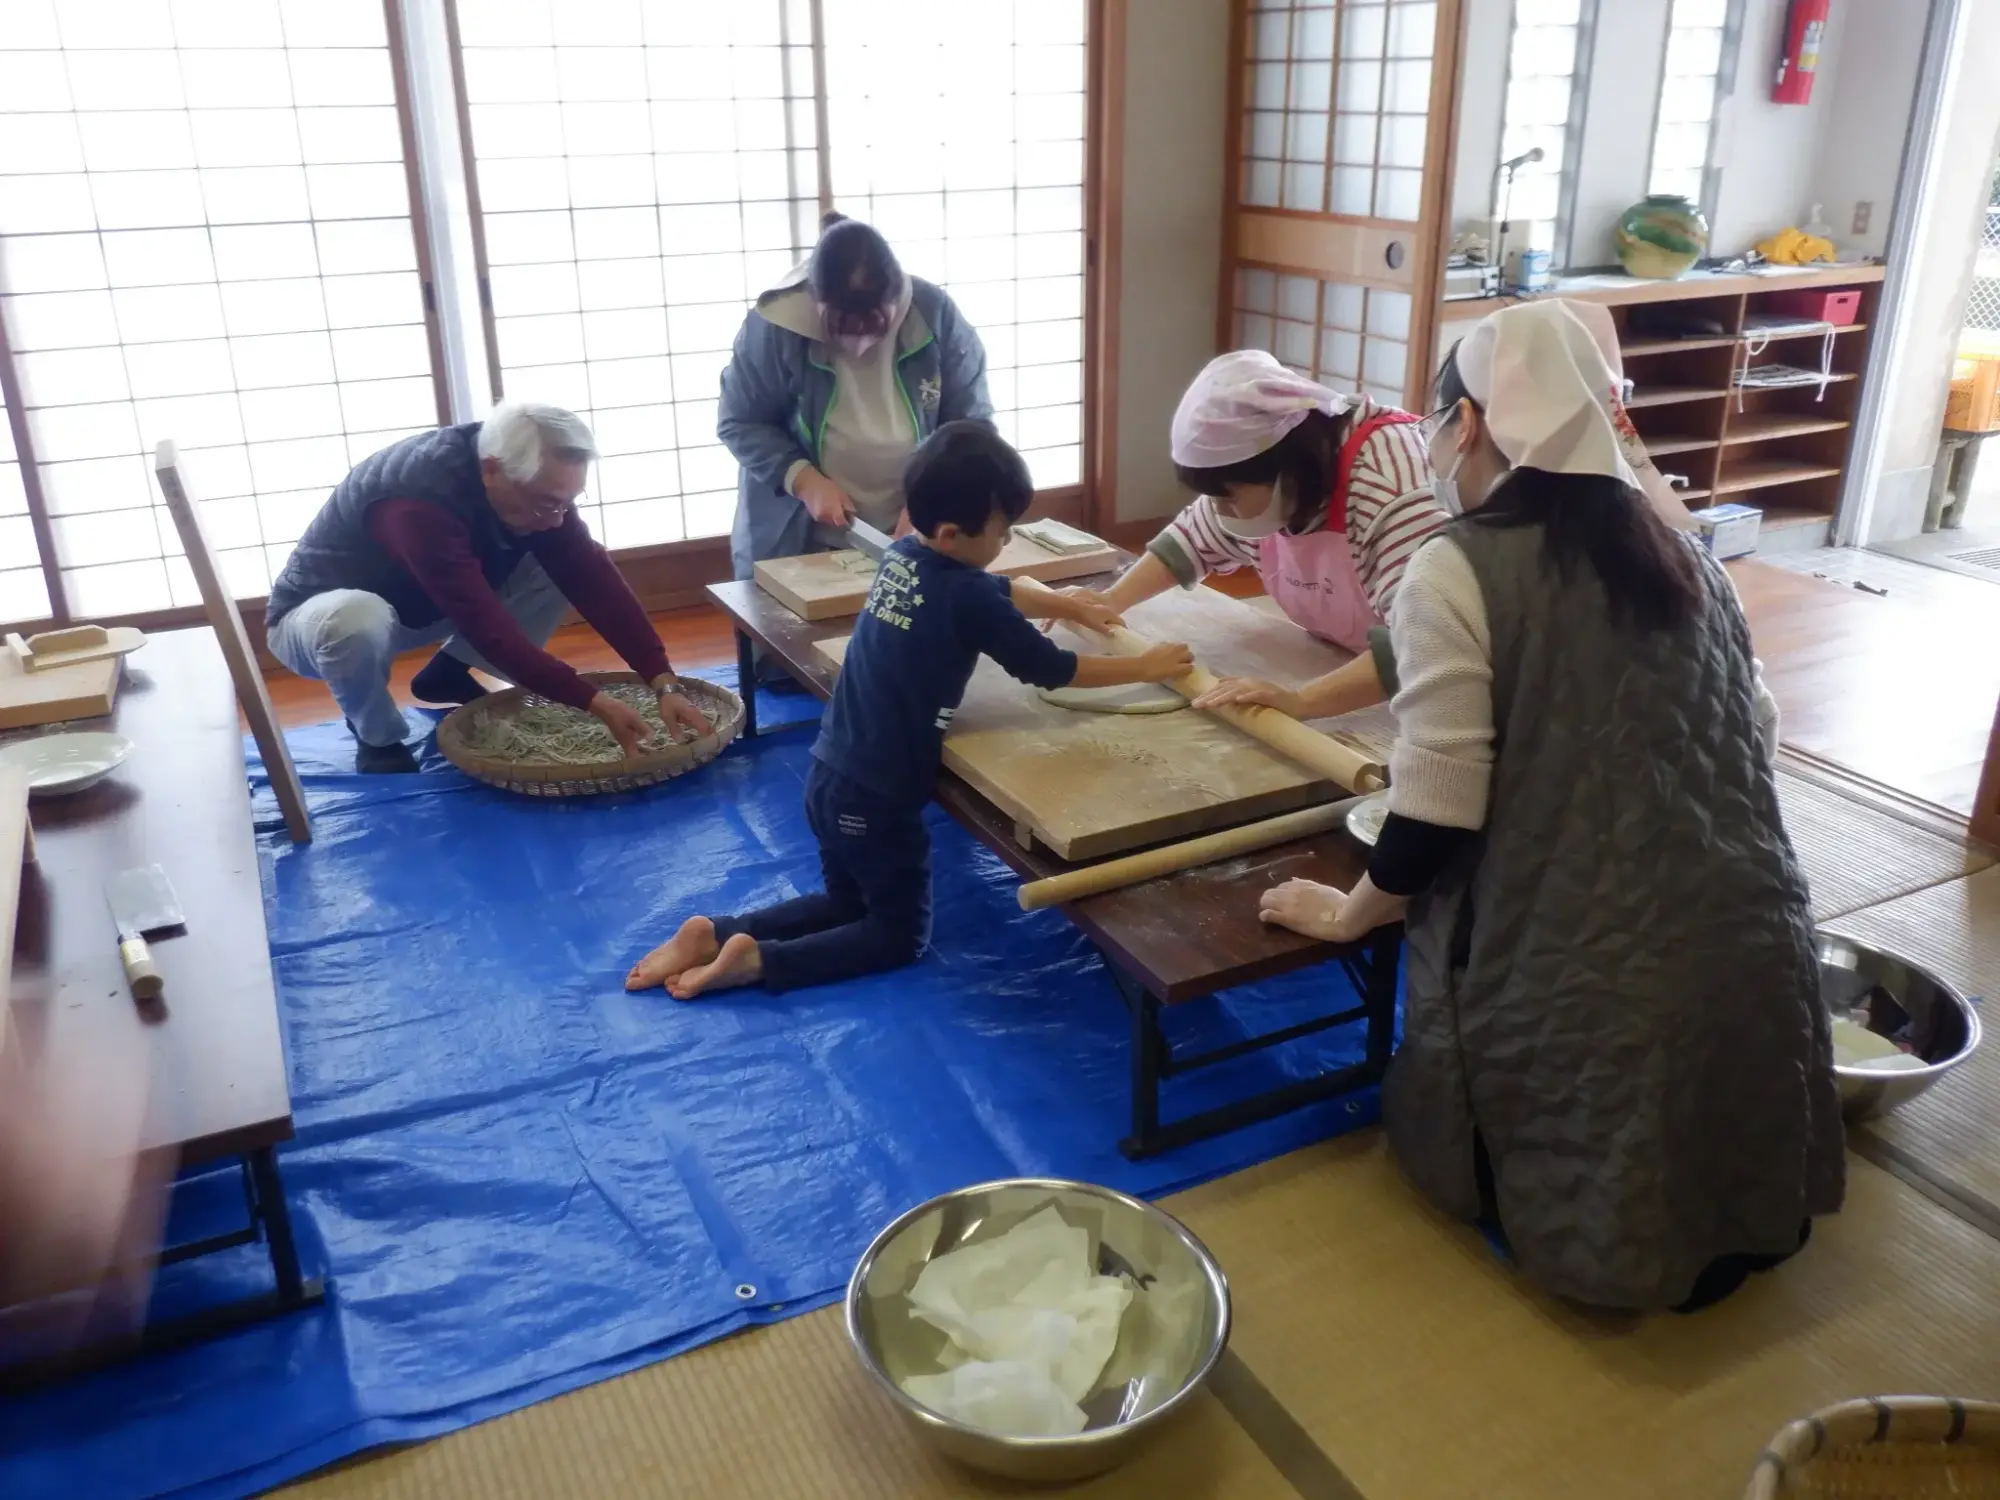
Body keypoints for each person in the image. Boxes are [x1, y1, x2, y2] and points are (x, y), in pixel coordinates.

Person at [1256, 299, 1843, 1314]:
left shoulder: (1455, 566)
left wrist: (1349, 911)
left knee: (1496, 1046)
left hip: (1578, 989)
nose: (1435, 440)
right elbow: (1754, 737)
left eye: (1442, 419)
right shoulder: (1686, 553)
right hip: (1760, 954)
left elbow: (1435, 804)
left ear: (1471, 424)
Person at [625, 421, 1192, 999]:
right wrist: (1146, 668)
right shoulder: (965, 594)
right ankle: (758, 962)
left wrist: (1066, 602)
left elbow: (1000, 590)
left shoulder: (904, 555)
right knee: (897, 936)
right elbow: (1049, 667)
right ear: (951, 533)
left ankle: (716, 935)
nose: (1005, 542)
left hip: (829, 774)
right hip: (877, 797)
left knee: (847, 903)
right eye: (1002, 531)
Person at [265, 402, 708, 774]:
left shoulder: (528, 480)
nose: (558, 517)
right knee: (356, 618)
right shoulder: (416, 500)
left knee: (562, 558)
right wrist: (592, 702)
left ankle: (449, 673)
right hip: (319, 624)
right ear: (493, 471)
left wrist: (662, 681)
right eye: (549, 503)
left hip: (426, 605)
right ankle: (377, 738)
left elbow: (590, 576)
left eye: (568, 503)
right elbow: (484, 623)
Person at [1063, 349, 1448, 718]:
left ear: (1288, 471)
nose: (1218, 512)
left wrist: (1302, 701)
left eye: (1227, 498)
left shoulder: (1389, 486)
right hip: (1353, 657)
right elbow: (1190, 539)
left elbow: (1423, 637)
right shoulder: (1272, 482)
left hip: (1437, 685)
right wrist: (1112, 600)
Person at [718, 213, 992, 584]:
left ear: (899, 299)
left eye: (875, 325)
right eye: (842, 328)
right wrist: (805, 481)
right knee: (793, 635)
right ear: (816, 302)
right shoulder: (775, 327)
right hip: (800, 537)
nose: (859, 345)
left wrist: (932, 499)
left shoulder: (934, 315)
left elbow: (971, 428)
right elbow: (741, 421)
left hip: (914, 534)